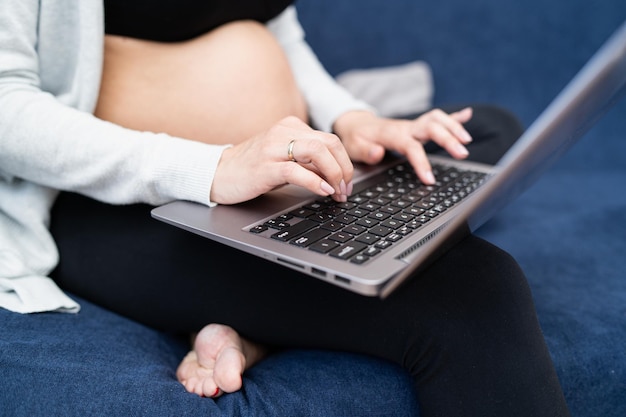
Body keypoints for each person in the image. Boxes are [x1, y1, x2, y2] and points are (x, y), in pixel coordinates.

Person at [0, 1, 571, 416]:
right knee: (472, 290)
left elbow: (278, 34)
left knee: (479, 137)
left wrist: (353, 120)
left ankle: (263, 321)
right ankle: (275, 303)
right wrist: (213, 169)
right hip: (121, 211)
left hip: (276, 180)